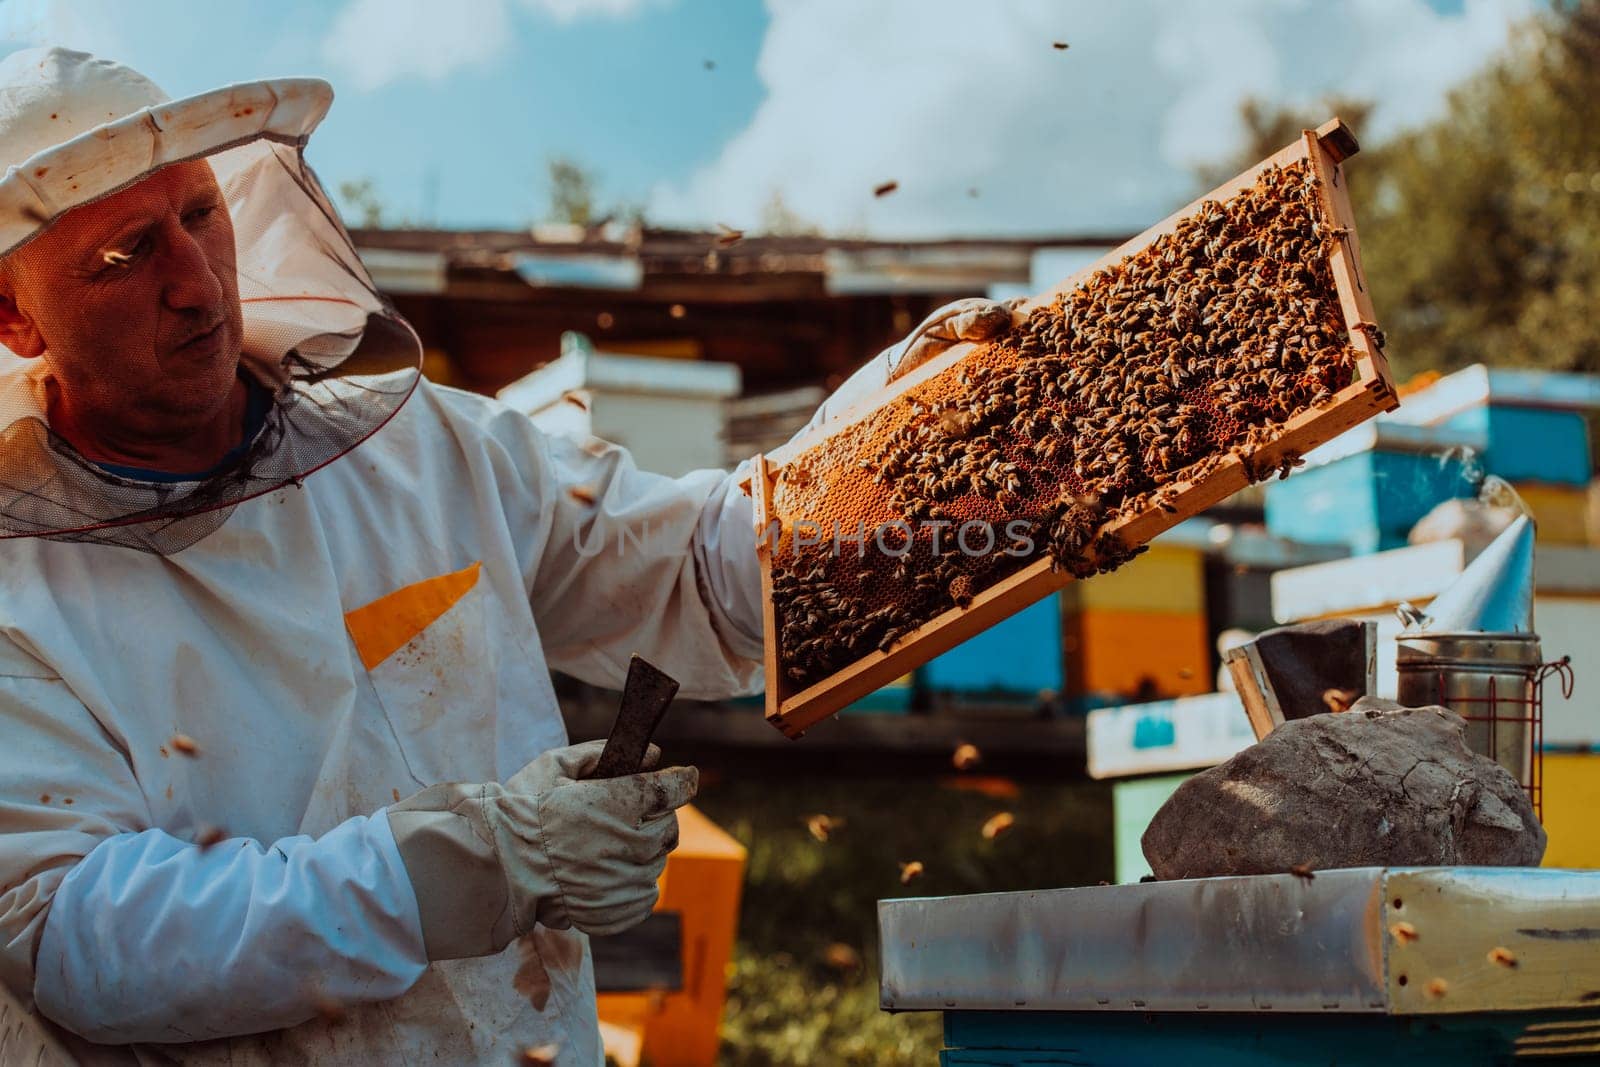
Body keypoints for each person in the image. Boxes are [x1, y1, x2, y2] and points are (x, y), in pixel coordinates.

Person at [0, 48, 1015, 1065]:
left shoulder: (428, 448)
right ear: (14, 314)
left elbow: (696, 575)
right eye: (126, 255)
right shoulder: (18, 592)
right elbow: (77, 934)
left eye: (200, 214)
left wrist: (891, 446)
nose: (191, 279)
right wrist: (469, 863)